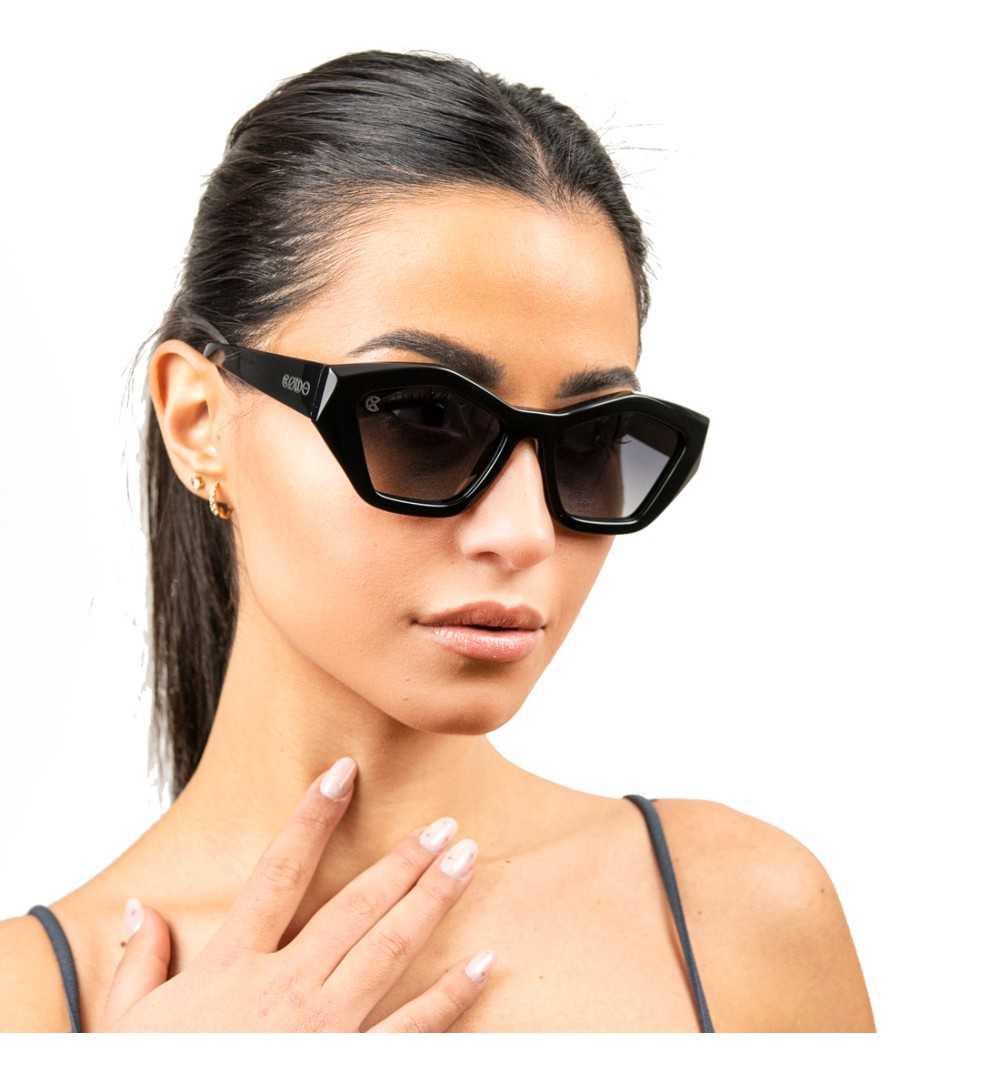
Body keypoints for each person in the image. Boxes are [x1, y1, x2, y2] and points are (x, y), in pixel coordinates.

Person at [0, 48, 874, 1032]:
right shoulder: (27, 1005)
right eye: (421, 417)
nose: (524, 532)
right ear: (199, 421)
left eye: (590, 442)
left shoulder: (741, 918)